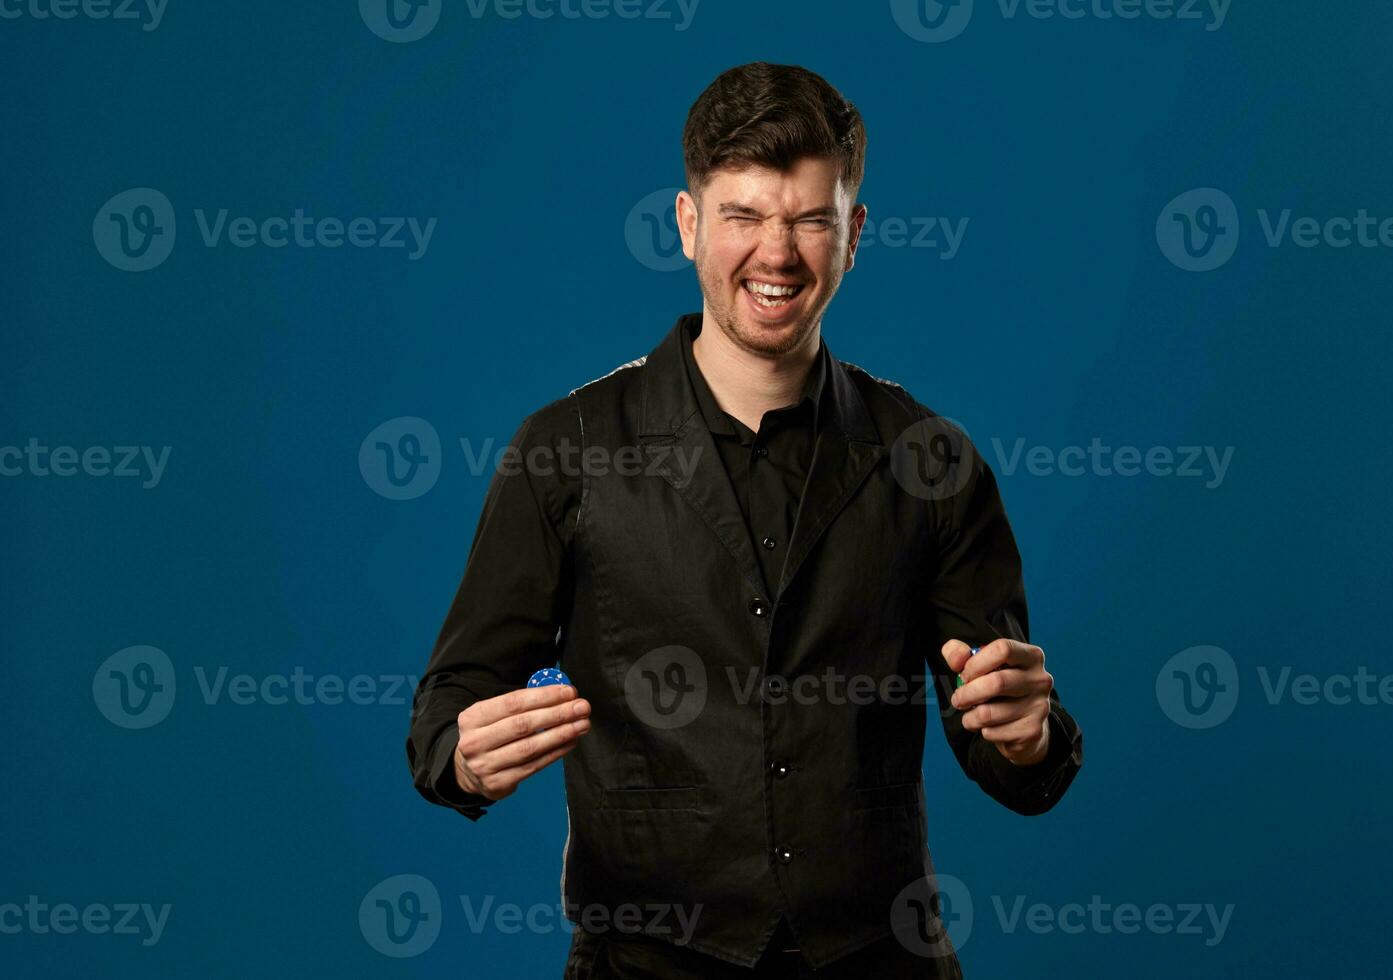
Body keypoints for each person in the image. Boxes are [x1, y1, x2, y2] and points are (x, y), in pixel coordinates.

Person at [406, 61, 1083, 979]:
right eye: (744, 216)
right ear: (689, 226)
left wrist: (1027, 733)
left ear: (854, 235)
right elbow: (446, 710)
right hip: (645, 963)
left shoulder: (934, 460)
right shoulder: (565, 449)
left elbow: (1010, 753)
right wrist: (463, 760)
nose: (777, 252)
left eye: (810, 219)